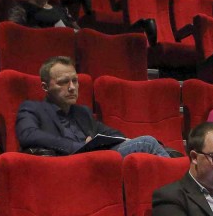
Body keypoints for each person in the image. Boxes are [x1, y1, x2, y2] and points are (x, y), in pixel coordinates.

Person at [15, 56, 171, 157]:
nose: (72, 87)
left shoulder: (82, 112)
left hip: (97, 160)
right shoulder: (32, 108)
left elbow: (111, 133)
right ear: (45, 87)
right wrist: (78, 146)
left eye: (75, 81)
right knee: (147, 143)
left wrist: (123, 140)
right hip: (65, 161)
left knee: (150, 149)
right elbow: (28, 135)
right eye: (63, 82)